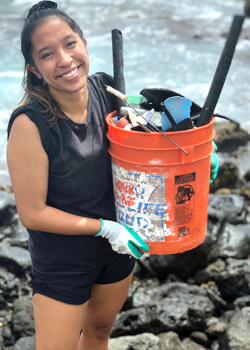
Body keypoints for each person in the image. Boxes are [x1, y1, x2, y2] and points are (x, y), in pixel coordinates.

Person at [6, 1, 149, 349]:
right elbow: (32, 213)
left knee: (99, 334)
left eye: (70, 44)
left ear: (84, 42)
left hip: (118, 252)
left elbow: (142, 138)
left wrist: (192, 155)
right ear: (35, 69)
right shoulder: (30, 124)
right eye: (47, 54)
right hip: (64, 263)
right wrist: (104, 228)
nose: (65, 60)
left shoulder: (108, 89)